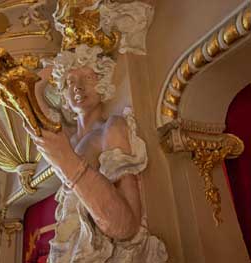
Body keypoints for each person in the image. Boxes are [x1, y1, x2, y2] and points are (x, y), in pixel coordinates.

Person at [24, 44, 168, 262]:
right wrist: (47, 73)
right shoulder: (69, 139)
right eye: (71, 81)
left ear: (103, 84)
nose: (78, 88)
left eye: (88, 78)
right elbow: (32, 110)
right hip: (69, 245)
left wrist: (68, 162)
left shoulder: (111, 129)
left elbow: (127, 226)